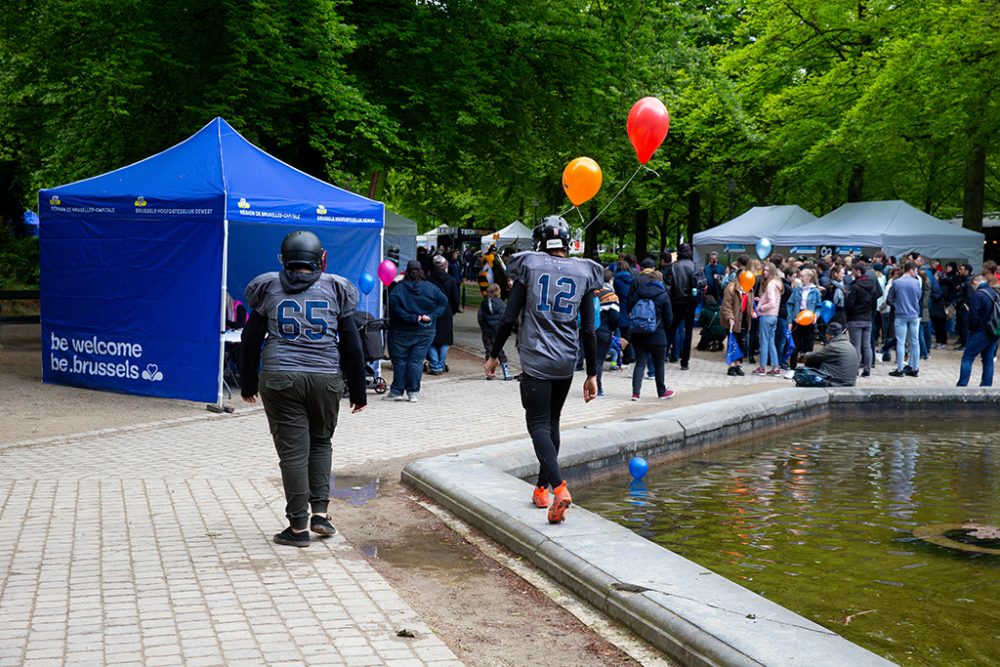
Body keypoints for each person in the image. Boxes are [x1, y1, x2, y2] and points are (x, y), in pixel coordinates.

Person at [239, 230, 368, 547]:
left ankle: (298, 527)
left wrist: (246, 383)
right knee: (321, 442)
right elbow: (352, 343)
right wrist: (359, 389)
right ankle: (320, 513)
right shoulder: (336, 288)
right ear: (320, 258)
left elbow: (250, 338)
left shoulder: (268, 286)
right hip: (325, 376)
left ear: (285, 258)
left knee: (293, 454)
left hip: (281, 376)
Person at [484, 216, 602, 524]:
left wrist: (494, 354)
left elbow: (509, 318)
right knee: (553, 423)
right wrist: (592, 373)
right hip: (566, 360)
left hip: (536, 358)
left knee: (537, 425)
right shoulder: (584, 271)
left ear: (540, 242)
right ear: (566, 242)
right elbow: (589, 329)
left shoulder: (530, 266)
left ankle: (559, 488)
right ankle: (540, 489)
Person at [385, 260, 448, 402]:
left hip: (400, 330)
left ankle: (397, 391)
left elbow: (393, 304)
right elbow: (443, 301)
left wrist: (412, 317)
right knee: (416, 361)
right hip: (425, 331)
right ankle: (413, 392)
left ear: (406, 271)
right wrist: (431, 316)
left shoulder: (399, 288)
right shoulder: (431, 288)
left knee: (400, 361)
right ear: (421, 271)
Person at [627, 269, 674, 400]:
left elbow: (629, 307)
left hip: (637, 333)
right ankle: (662, 392)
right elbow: (669, 317)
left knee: (640, 363)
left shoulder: (639, 293)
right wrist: (662, 327)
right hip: (657, 335)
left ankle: (635, 393)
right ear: (660, 281)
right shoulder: (663, 295)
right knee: (659, 364)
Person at [957, 273, 1000, 387]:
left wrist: (972, 329)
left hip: (980, 331)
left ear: (975, 282)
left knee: (968, 357)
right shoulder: (994, 292)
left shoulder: (978, 294)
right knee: (988, 359)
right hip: (994, 330)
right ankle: (986, 385)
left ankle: (962, 384)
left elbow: (974, 315)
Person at [666, 243, 700, 370]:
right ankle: (684, 361)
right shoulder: (694, 266)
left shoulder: (673, 267)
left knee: (671, 329)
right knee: (688, 331)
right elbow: (698, 285)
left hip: (676, 302)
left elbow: (668, 285)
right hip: (690, 303)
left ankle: (664, 355)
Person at [792, 321, 859, 387]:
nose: (826, 336)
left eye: (826, 334)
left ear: (831, 335)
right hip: (850, 382)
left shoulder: (834, 346)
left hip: (838, 382)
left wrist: (803, 356)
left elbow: (814, 356)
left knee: (808, 366)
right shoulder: (849, 345)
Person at [427, 254, 460, 375]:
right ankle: (440, 364)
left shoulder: (428, 280)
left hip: (431, 312)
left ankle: (435, 364)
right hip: (446, 312)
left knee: (431, 339)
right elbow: (456, 299)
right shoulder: (451, 281)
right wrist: (453, 310)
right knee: (445, 340)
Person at [888, 261, 922, 378]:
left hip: (900, 315)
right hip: (914, 315)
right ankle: (915, 367)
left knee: (900, 342)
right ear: (911, 270)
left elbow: (889, 298)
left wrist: (896, 306)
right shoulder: (916, 282)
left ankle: (900, 368)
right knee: (914, 342)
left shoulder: (896, 282)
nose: (916, 273)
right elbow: (919, 296)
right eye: (916, 270)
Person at [785, 268, 822, 374]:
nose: (800, 278)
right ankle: (792, 368)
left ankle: (807, 369)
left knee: (809, 345)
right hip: (798, 319)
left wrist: (816, 316)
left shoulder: (815, 291)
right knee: (794, 345)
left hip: (809, 320)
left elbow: (819, 306)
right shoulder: (797, 290)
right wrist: (790, 320)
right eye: (800, 276)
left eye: (802, 276)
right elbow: (790, 304)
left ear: (809, 277)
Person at [845, 262, 877, 377]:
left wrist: (848, 315)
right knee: (867, 345)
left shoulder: (855, 286)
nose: (852, 273)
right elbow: (874, 304)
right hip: (867, 318)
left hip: (855, 319)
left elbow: (850, 304)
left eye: (853, 270)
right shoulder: (871, 285)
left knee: (856, 345)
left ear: (858, 271)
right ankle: (867, 369)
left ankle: (855, 369)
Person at [594, 270, 621, 397]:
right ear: (610, 281)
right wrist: (613, 329)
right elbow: (615, 317)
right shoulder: (612, 296)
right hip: (604, 331)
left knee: (591, 359)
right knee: (599, 360)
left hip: (588, 331)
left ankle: (589, 383)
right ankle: (597, 388)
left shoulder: (589, 293)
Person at [753, 262, 783, 376]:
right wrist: (761, 299)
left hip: (767, 316)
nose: (764, 272)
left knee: (764, 342)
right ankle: (775, 367)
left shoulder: (770, 284)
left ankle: (762, 367)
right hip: (774, 316)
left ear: (771, 271)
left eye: (766, 270)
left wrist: (760, 308)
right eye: (763, 270)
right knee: (770, 342)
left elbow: (772, 302)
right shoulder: (777, 283)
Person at [478, 283, 511, 380]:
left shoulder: (483, 304)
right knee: (499, 351)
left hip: (487, 331)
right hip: (498, 332)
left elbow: (480, 317)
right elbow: (505, 319)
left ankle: (490, 373)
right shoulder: (502, 305)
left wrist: (483, 327)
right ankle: (506, 373)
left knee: (489, 351)